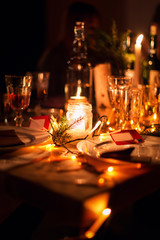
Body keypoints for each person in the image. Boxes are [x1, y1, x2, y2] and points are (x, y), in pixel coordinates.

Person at [37, 2, 101, 106]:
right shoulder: (53, 57)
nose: (94, 34)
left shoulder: (96, 58)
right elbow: (46, 98)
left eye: (96, 29)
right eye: (91, 28)